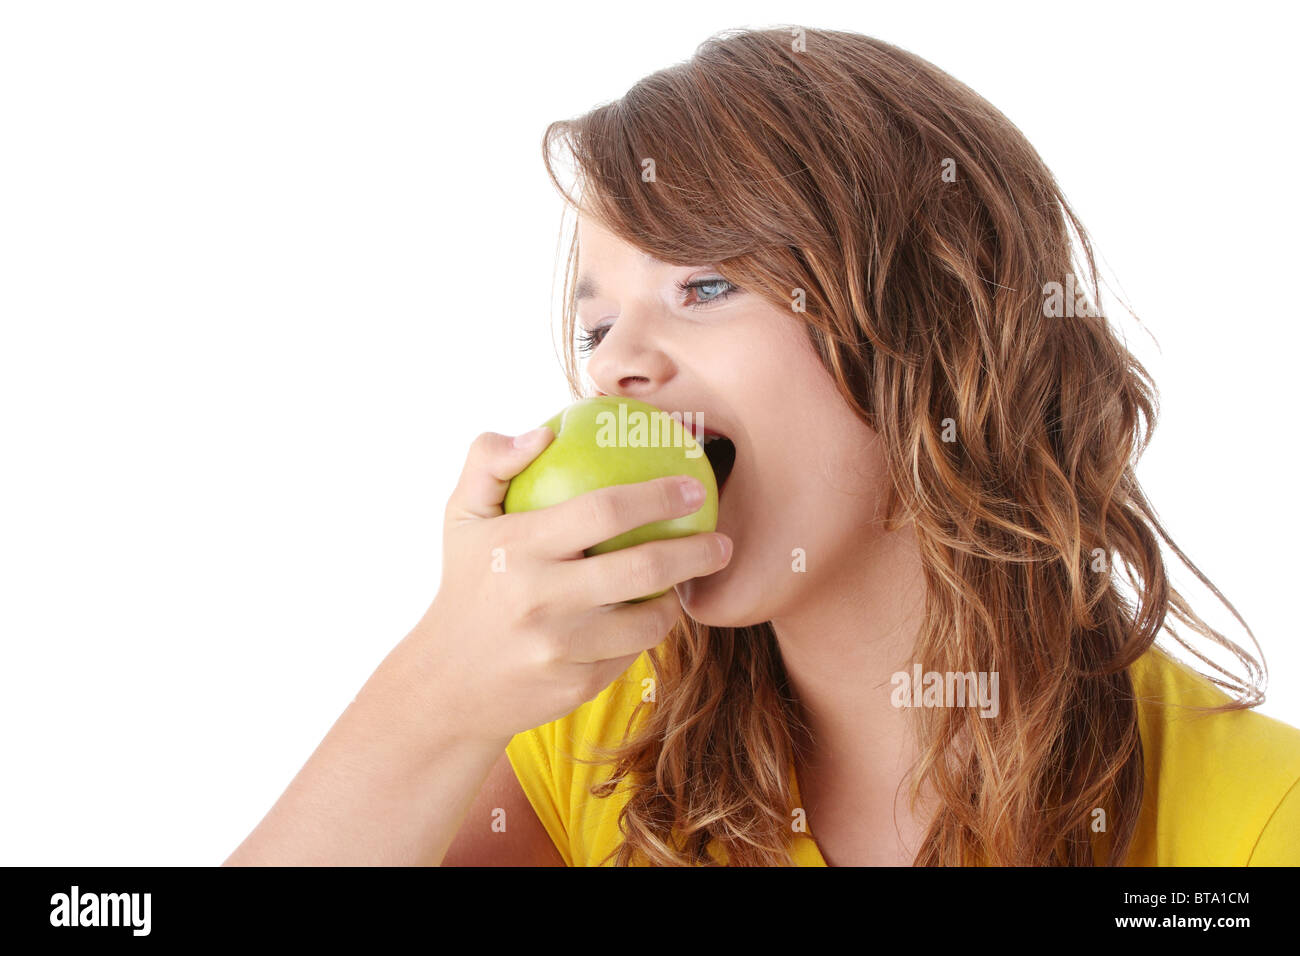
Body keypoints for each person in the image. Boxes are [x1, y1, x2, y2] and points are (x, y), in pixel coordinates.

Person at [225, 25, 1300, 867]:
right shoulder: (592, 753)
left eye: (703, 285)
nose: (611, 368)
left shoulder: (1253, 813)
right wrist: (435, 693)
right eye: (597, 325)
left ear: (938, 327)